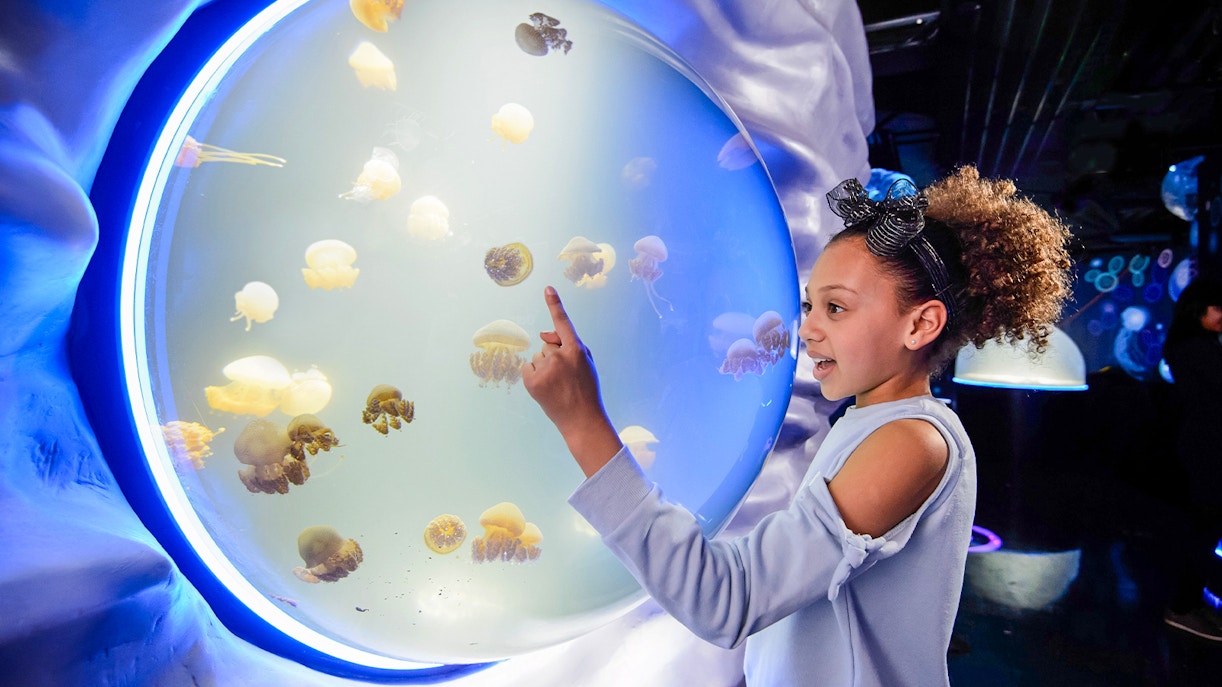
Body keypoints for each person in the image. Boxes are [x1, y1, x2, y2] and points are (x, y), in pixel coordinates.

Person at [520, 165, 1073, 686]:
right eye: (810, 306)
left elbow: (725, 600)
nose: (807, 329)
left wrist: (583, 424)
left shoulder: (911, 442)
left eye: (837, 308)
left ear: (921, 323)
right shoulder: (869, 424)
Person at [1161, 276, 1222, 641]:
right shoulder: (1194, 348)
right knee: (1204, 529)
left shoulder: (1195, 345)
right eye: (1217, 308)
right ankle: (1183, 608)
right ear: (1196, 310)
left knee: (1204, 528)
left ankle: (1190, 604)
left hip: (1203, 446)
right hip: (1207, 449)